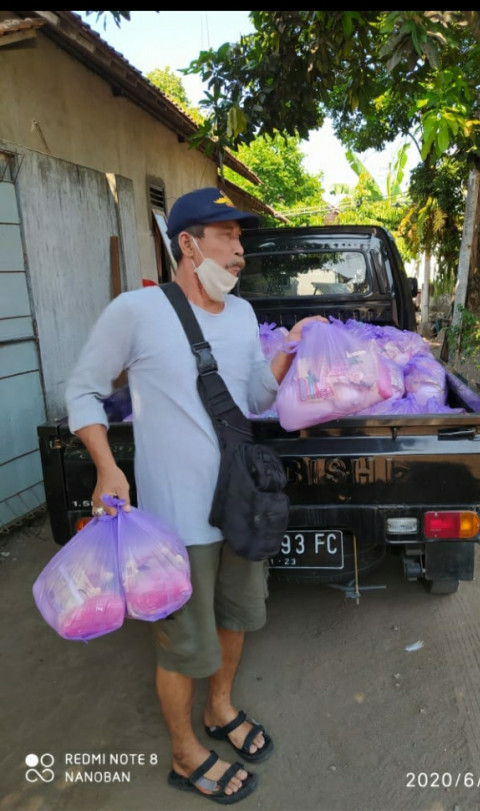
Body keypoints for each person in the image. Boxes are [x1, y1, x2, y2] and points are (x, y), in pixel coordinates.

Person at [65, 187, 326, 804]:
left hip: (240, 505)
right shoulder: (137, 310)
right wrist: (107, 469)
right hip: (177, 521)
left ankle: (220, 709)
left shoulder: (240, 317)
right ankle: (185, 754)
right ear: (187, 243)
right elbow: (81, 391)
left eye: (240, 238)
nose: (240, 250)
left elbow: (257, 399)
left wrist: (290, 344)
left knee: (237, 618)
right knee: (182, 643)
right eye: (226, 237)